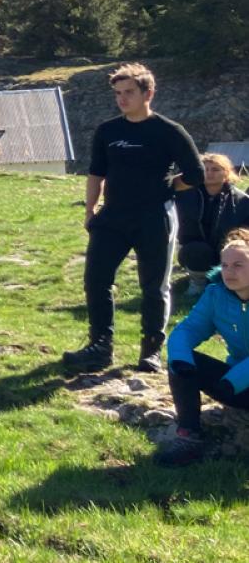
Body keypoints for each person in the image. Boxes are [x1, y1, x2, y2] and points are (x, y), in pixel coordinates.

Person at [65, 63, 204, 374]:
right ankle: (100, 346)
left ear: (148, 93)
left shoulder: (169, 131)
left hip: (155, 217)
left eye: (129, 92)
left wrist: (166, 187)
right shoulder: (108, 131)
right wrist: (90, 210)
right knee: (96, 280)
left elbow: (196, 174)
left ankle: (151, 350)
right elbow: (96, 173)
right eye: (117, 93)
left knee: (154, 285)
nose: (122, 99)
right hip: (113, 215)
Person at [156, 229, 249, 466]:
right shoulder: (216, 294)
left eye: (238, 265)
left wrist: (233, 381)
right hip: (235, 386)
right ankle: (189, 439)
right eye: (225, 265)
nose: (229, 272)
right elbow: (188, 330)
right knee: (182, 361)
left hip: (235, 383)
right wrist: (180, 360)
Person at [172, 153, 249, 298]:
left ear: (226, 173)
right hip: (194, 251)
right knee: (197, 250)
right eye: (205, 169)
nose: (209, 173)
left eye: (215, 169)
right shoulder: (183, 196)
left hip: (229, 251)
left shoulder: (242, 201)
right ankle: (198, 283)